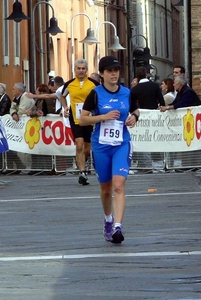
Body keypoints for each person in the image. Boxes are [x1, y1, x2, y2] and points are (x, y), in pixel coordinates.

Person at [79, 55, 139, 244]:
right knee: (106, 189)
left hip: (122, 143)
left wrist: (134, 118)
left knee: (119, 185)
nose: (114, 74)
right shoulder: (95, 93)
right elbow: (82, 119)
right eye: (110, 71)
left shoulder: (128, 93)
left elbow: (136, 110)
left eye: (116, 70)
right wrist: (102, 117)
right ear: (102, 74)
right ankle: (108, 220)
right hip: (101, 146)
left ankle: (118, 227)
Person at [60, 58, 99, 186]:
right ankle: (82, 172)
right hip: (75, 118)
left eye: (83, 68)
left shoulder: (94, 84)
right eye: (79, 68)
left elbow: (101, 97)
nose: (81, 71)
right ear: (74, 70)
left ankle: (82, 161)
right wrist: (65, 107)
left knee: (87, 150)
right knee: (79, 144)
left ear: (87, 70)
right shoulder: (69, 84)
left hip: (89, 118)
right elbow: (62, 96)